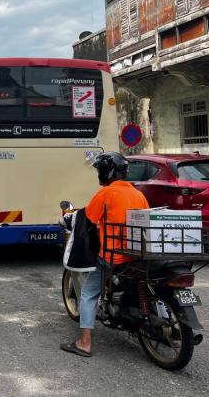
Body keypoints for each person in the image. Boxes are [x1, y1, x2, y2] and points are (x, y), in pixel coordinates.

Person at [60, 152, 149, 358]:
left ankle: (84, 342)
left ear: (107, 173)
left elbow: (88, 218)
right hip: (136, 254)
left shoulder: (106, 194)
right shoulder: (139, 194)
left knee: (88, 294)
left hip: (113, 256)